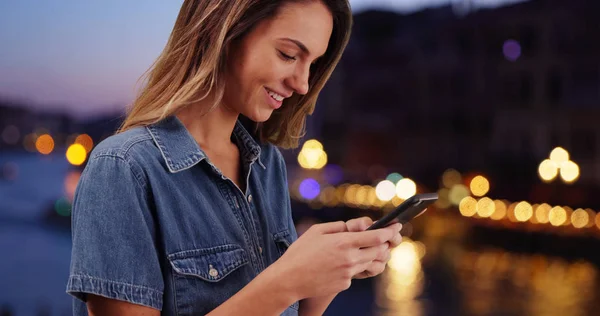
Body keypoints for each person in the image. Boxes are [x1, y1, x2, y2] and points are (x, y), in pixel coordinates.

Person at [66, 0, 403, 315]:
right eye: (288, 55)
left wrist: (329, 272)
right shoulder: (123, 168)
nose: (302, 84)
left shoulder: (266, 166)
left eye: (312, 64)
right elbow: (277, 292)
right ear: (225, 32)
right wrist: (288, 280)